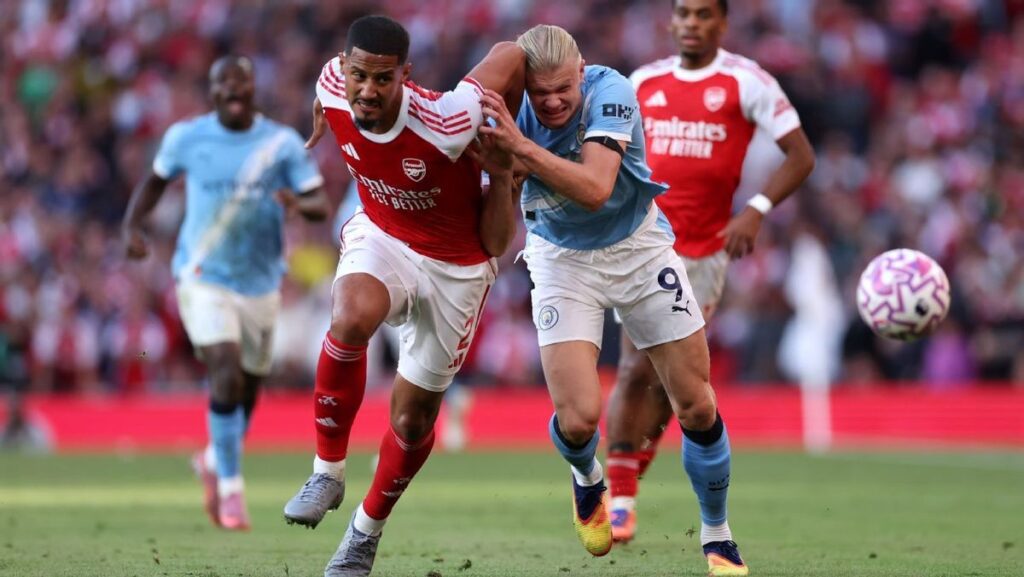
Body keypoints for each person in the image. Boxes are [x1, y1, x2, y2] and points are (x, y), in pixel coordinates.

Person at [479, 23, 748, 575]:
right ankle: (587, 479)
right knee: (579, 420)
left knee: (696, 404)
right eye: (540, 92)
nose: (552, 102)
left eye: (563, 88)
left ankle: (717, 533)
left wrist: (521, 150)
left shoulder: (612, 91)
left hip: (638, 249)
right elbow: (498, 237)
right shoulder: (507, 116)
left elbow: (598, 189)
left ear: (582, 73)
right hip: (560, 259)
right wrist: (504, 174)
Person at [279, 15, 523, 577]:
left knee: (412, 421)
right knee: (349, 315)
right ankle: (326, 473)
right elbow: (329, 93)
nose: (367, 90)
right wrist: (320, 113)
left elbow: (512, 52)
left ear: (405, 76)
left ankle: (363, 533)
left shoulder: (450, 119)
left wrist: (508, 153)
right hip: (384, 234)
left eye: (383, 79)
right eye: (359, 75)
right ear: (344, 68)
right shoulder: (330, 85)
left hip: (456, 267)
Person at [606, 0, 815, 546]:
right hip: (641, 243)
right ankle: (620, 495)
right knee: (634, 364)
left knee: (675, 381)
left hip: (703, 255)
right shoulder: (642, 82)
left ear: (722, 23)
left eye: (703, 15)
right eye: (683, 13)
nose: (692, 23)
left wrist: (757, 210)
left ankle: (629, 478)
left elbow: (800, 155)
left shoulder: (747, 81)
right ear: (671, 21)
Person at [121, 55, 330, 531]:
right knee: (224, 366)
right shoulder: (187, 137)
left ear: (254, 88)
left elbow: (318, 201)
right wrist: (133, 227)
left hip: (260, 281)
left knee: (248, 385)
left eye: (242, 82)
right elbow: (154, 183)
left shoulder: (279, 144)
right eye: (224, 83)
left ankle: (215, 458)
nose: (233, 90)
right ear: (212, 91)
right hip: (202, 274)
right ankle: (232, 490)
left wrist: (298, 202)